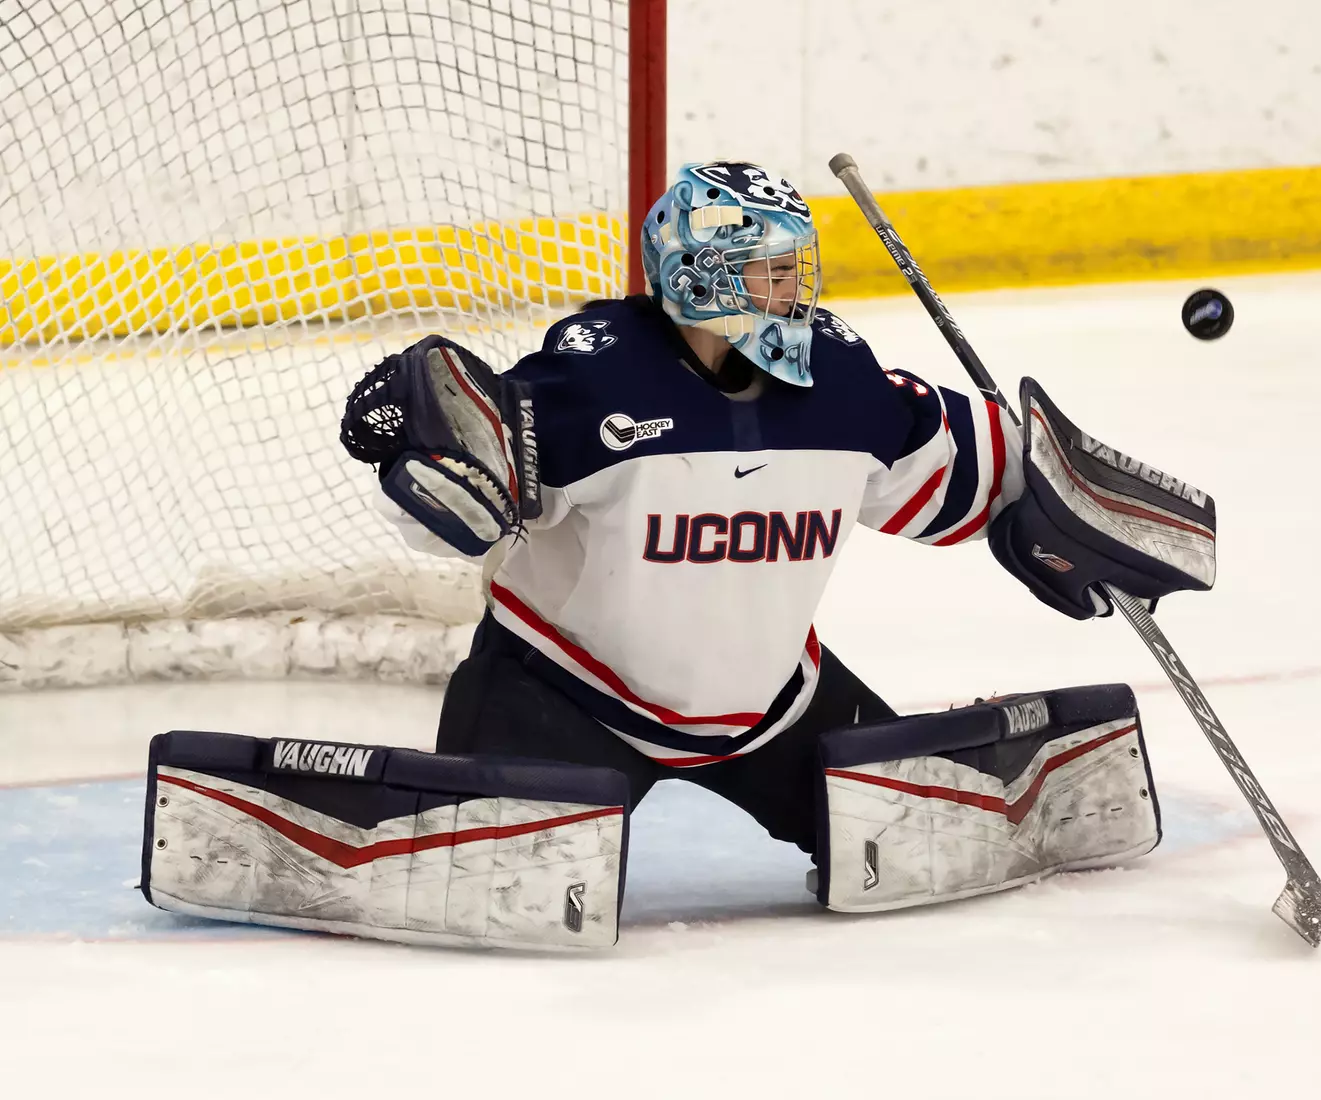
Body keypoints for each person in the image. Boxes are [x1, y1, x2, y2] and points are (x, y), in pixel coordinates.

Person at [383, 161, 1023, 857]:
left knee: (925, 847)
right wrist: (419, 454)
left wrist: (1059, 509)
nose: (794, 288)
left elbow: (972, 482)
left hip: (776, 708)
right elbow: (459, 513)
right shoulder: (593, 378)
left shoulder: (838, 381)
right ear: (698, 274)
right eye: (769, 269)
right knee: (494, 878)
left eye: (795, 267)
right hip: (566, 697)